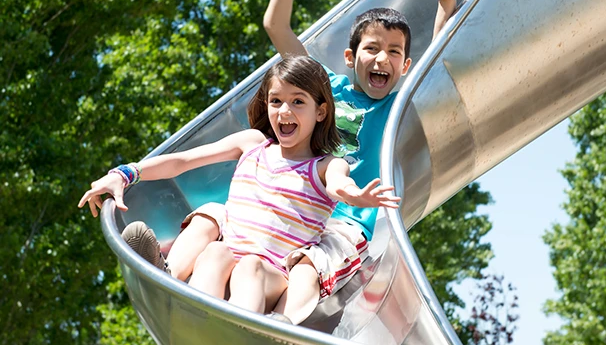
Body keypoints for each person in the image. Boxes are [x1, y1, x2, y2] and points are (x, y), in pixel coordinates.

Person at [259, 0, 491, 324]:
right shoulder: (323, 90)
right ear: (350, 57)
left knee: (308, 270)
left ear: (404, 66)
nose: (382, 58)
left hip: (347, 221)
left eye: (395, 52)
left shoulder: (398, 107)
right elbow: (277, 26)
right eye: (372, 48)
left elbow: (442, 53)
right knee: (237, 242)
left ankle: (275, 330)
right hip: (294, 205)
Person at [78, 56, 400, 316]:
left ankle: (240, 327)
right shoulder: (252, 143)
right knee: (214, 234)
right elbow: (184, 161)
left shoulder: (326, 165)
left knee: (249, 266)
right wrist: (125, 174)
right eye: (276, 101)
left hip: (270, 275)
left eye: (298, 102)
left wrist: (356, 195)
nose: (284, 111)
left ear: (321, 111)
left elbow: (338, 185)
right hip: (224, 262)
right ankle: (171, 280)